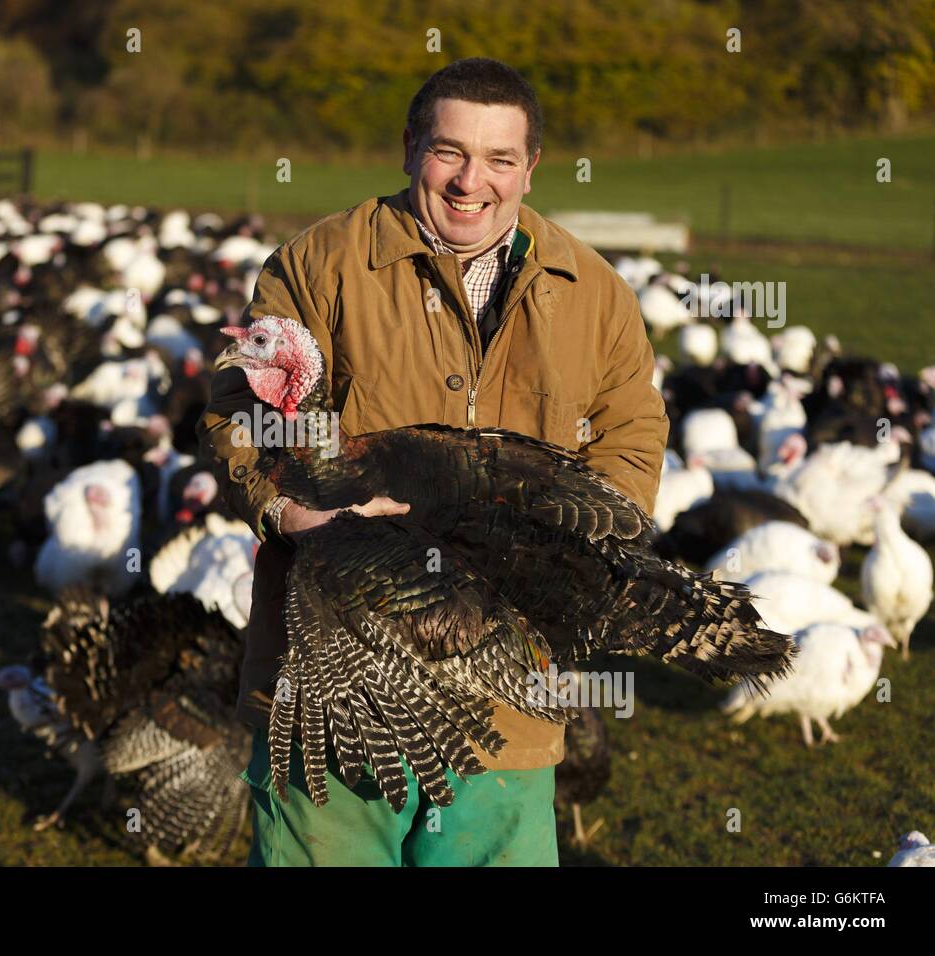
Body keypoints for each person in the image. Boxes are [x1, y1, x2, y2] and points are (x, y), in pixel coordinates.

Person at [197, 57, 668, 866]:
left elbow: (631, 436)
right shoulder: (321, 265)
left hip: (508, 700)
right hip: (338, 691)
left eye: (499, 159)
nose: (469, 182)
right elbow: (237, 410)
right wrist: (297, 514)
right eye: (449, 151)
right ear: (412, 147)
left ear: (531, 168)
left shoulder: (592, 292)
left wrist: (559, 556)